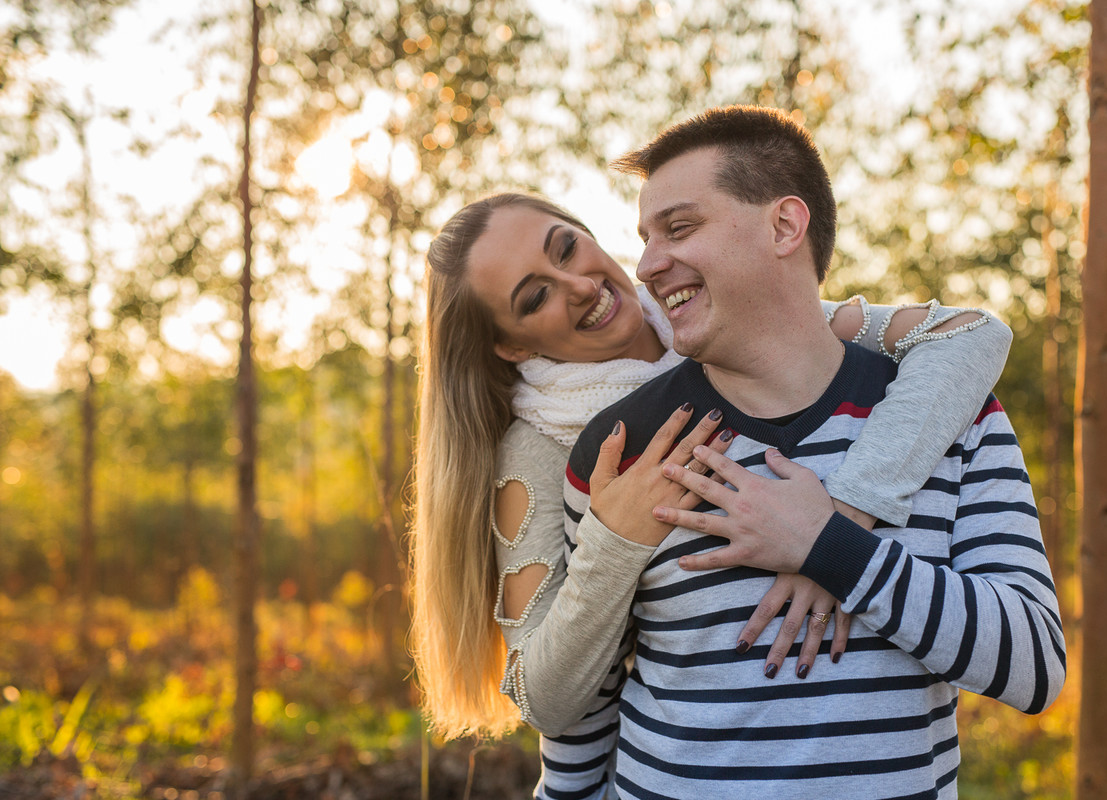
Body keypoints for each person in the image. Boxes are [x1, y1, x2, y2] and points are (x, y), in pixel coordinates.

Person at [410, 188, 1013, 798]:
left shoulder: (721, 325)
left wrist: (842, 522)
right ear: (512, 345)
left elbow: (969, 335)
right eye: (536, 296)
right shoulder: (541, 448)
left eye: (567, 248)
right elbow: (546, 700)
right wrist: (614, 543)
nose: (579, 286)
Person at [562, 106, 1065, 798]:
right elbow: (583, 708)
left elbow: (1035, 666)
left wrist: (830, 548)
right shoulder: (623, 445)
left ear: (785, 225)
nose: (646, 265)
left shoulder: (954, 411)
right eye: (646, 237)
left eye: (680, 228)